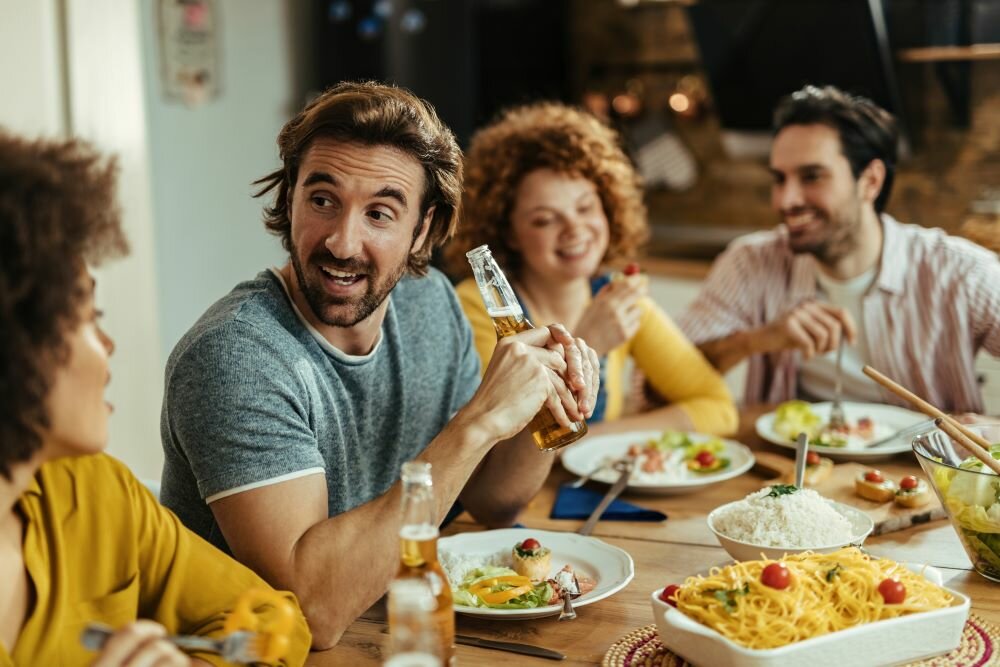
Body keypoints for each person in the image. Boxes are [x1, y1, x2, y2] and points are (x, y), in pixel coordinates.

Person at [159, 82, 600, 648]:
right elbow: (311, 611)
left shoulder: (429, 302)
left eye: (380, 214)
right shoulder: (235, 357)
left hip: (395, 631)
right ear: (289, 197)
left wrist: (545, 409)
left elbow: (493, 500)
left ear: (423, 228)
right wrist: (479, 421)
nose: (343, 242)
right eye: (322, 201)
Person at [0, 131, 310, 666]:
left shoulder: (96, 489)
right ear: (19, 345)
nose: (108, 346)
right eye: (88, 319)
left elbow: (272, 619)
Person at [679, 84, 1000, 413]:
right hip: (792, 463)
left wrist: (992, 432)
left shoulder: (961, 272)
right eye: (779, 179)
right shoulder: (749, 263)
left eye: (812, 176)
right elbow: (657, 385)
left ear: (871, 181)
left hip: (918, 466)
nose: (786, 200)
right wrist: (755, 340)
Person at [443, 102, 737, 436]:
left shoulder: (617, 300)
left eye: (585, 207)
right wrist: (589, 342)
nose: (574, 230)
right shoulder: (479, 307)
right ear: (507, 232)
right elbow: (503, 449)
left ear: (609, 206)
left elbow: (718, 408)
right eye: (545, 219)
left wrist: (594, 441)